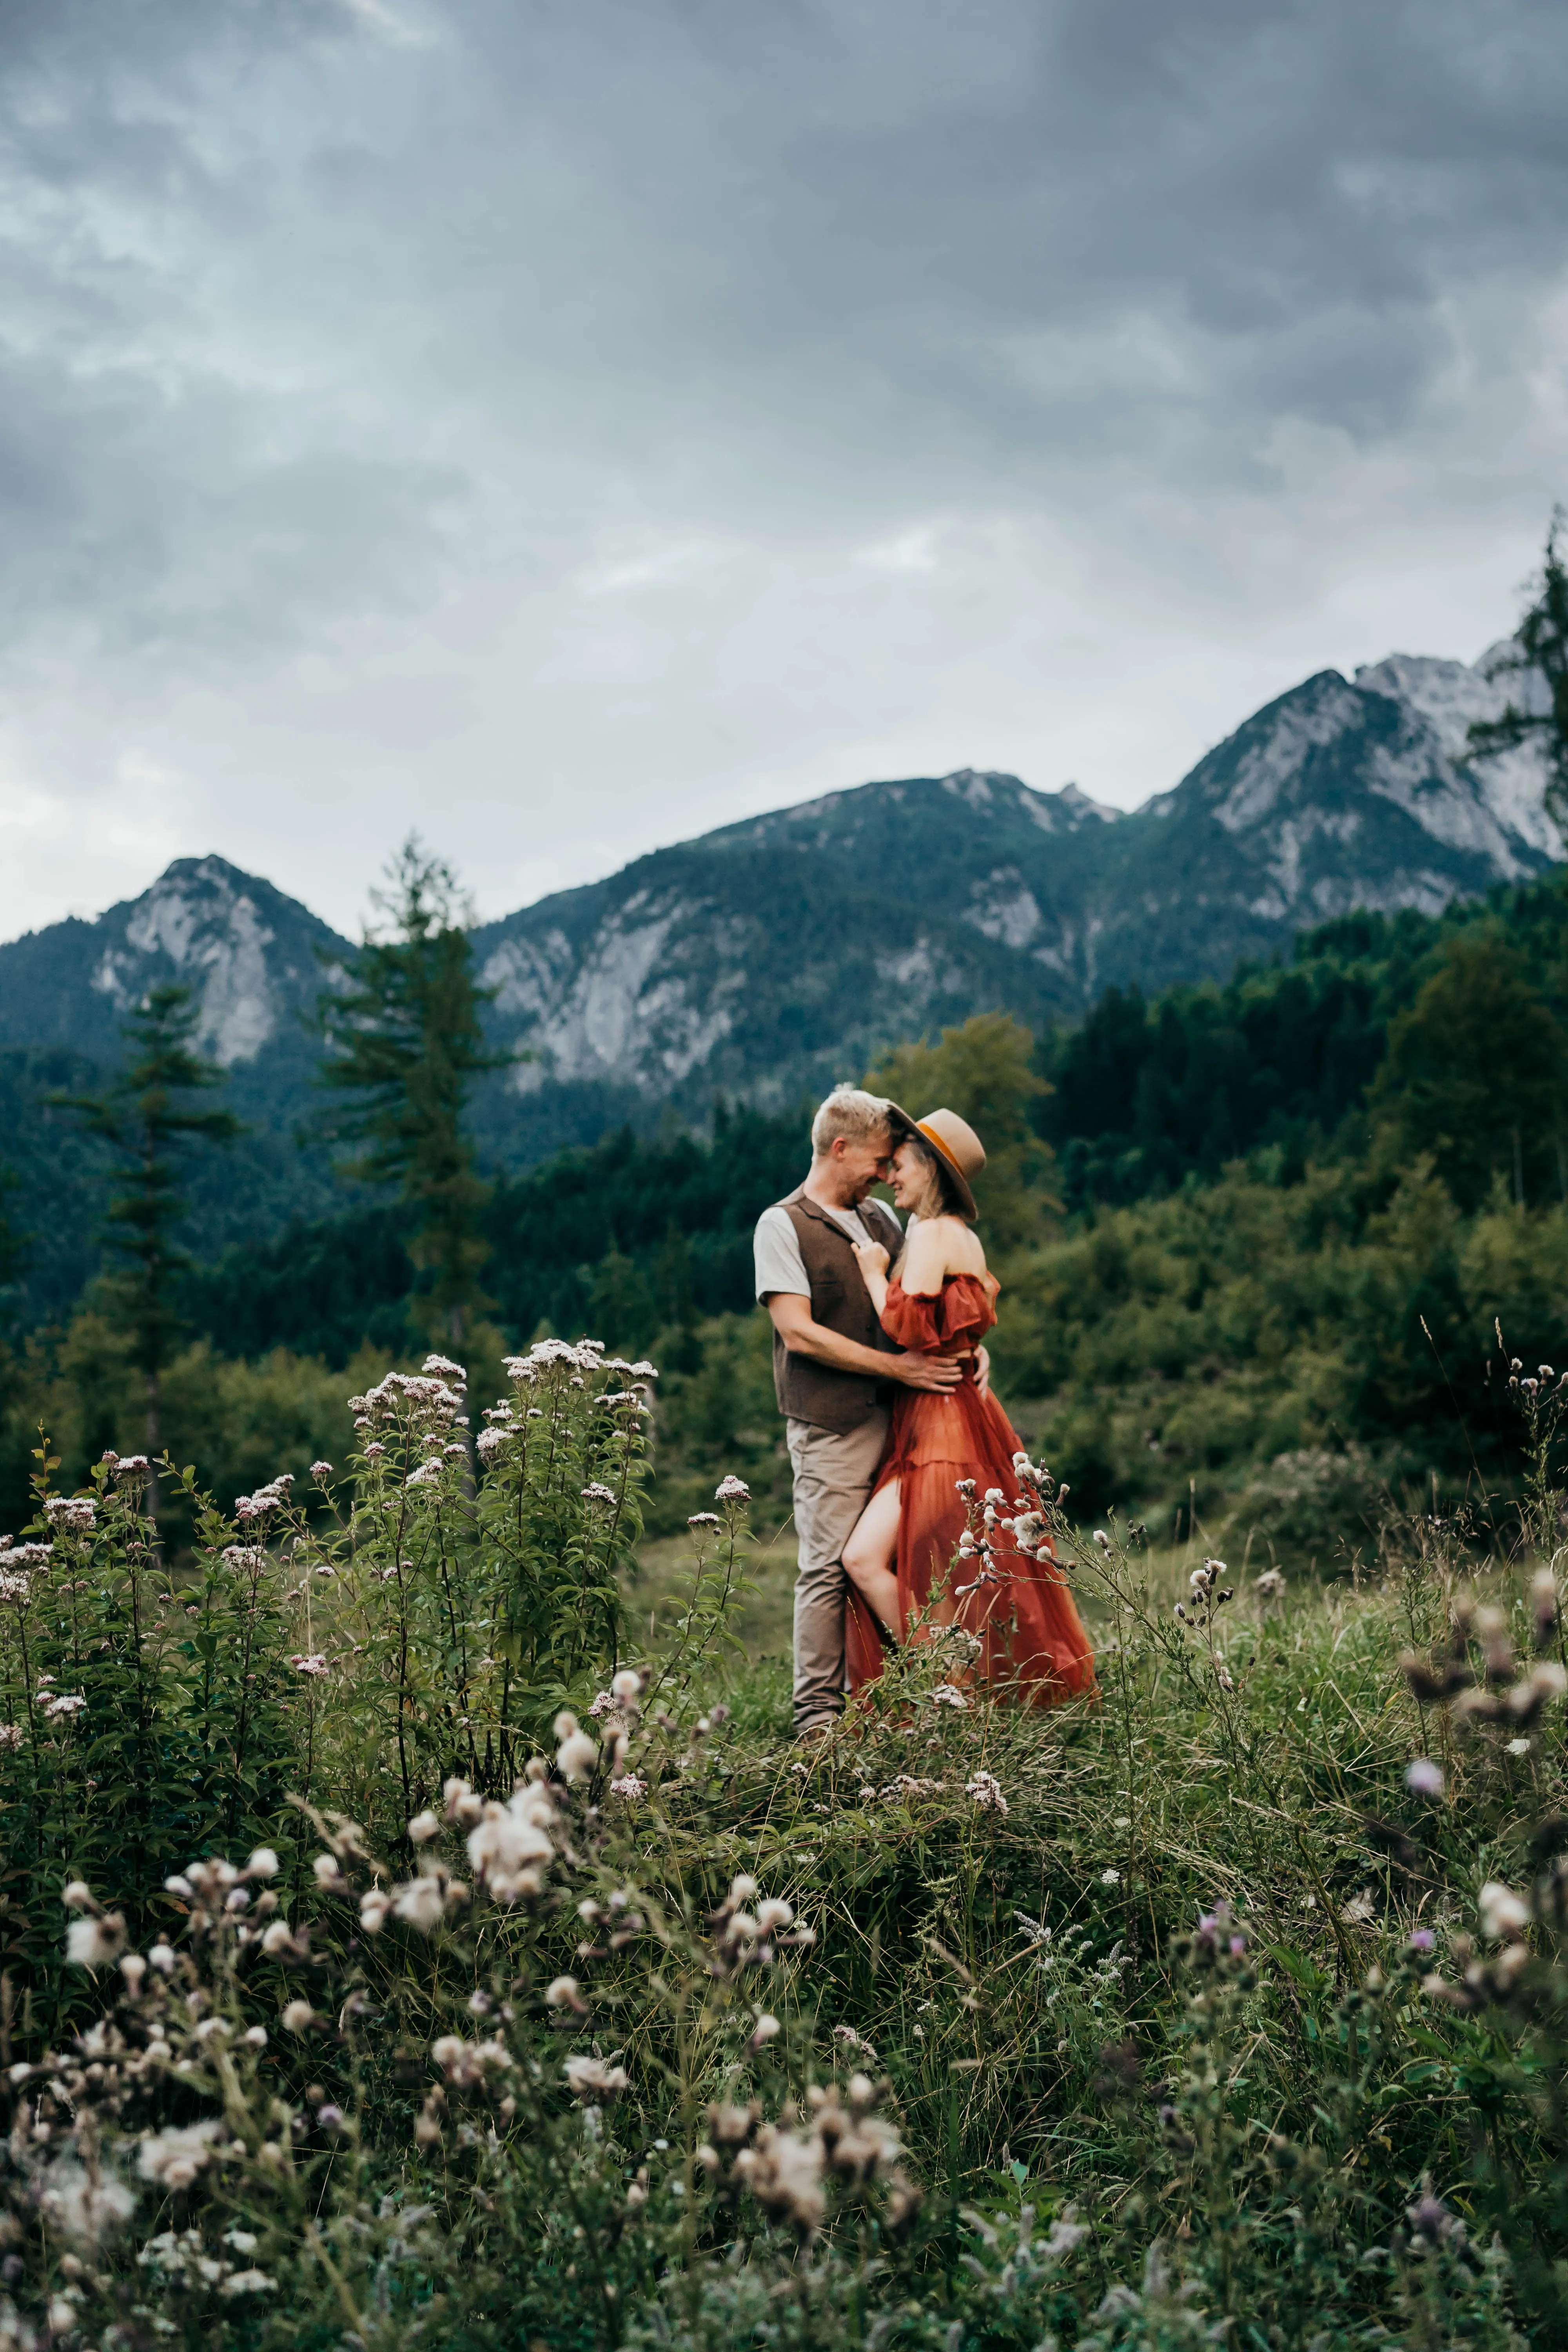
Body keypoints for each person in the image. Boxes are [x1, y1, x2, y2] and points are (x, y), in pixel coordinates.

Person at [840, 1105, 1096, 1704]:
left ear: (929, 1167)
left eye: (899, 1163)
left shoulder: (931, 1234)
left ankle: (954, 1695)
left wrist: (876, 1275)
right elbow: (964, 1328)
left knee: (904, 1565)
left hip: (941, 1428)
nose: (890, 1176)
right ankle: (955, 1693)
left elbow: (906, 1325)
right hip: (955, 1418)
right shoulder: (965, 1238)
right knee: (932, 1572)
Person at [755, 1086, 969, 1740]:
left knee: (892, 1559)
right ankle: (818, 1720)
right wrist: (899, 1370)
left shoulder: (881, 1220)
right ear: (839, 1148)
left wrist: (965, 1354)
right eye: (877, 1160)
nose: (884, 1172)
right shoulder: (781, 1224)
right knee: (826, 1566)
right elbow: (801, 1334)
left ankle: (891, 1705)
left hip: (906, 1422)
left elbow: (919, 1313)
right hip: (832, 1426)